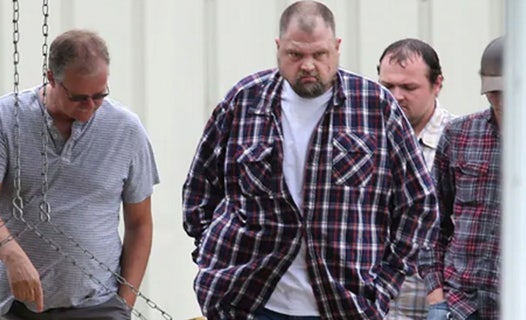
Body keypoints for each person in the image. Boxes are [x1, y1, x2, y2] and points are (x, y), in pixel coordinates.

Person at [182, 1, 439, 319]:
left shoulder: (376, 107)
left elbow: (419, 203)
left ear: (337, 47)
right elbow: (199, 191)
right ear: (278, 48)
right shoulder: (244, 101)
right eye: (295, 54)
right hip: (249, 300)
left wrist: (385, 282)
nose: (308, 65)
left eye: (319, 54)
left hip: (344, 304)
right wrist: (212, 258)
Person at [0, 29, 159, 319]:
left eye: (100, 95)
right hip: (17, 307)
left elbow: (140, 224)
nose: (90, 106)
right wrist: (13, 258)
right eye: (79, 97)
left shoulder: (127, 130)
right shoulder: (6, 116)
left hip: (99, 306)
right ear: (52, 78)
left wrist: (124, 304)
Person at [417, 36, 504, 320]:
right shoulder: (460, 135)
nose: (501, 101)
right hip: (463, 305)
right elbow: (432, 222)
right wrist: (437, 299)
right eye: (494, 93)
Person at [377, 39, 455, 320]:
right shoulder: (366, 140)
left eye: (409, 88)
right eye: (387, 87)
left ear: (437, 84)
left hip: (434, 305)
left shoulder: (458, 141)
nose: (396, 96)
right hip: (375, 305)